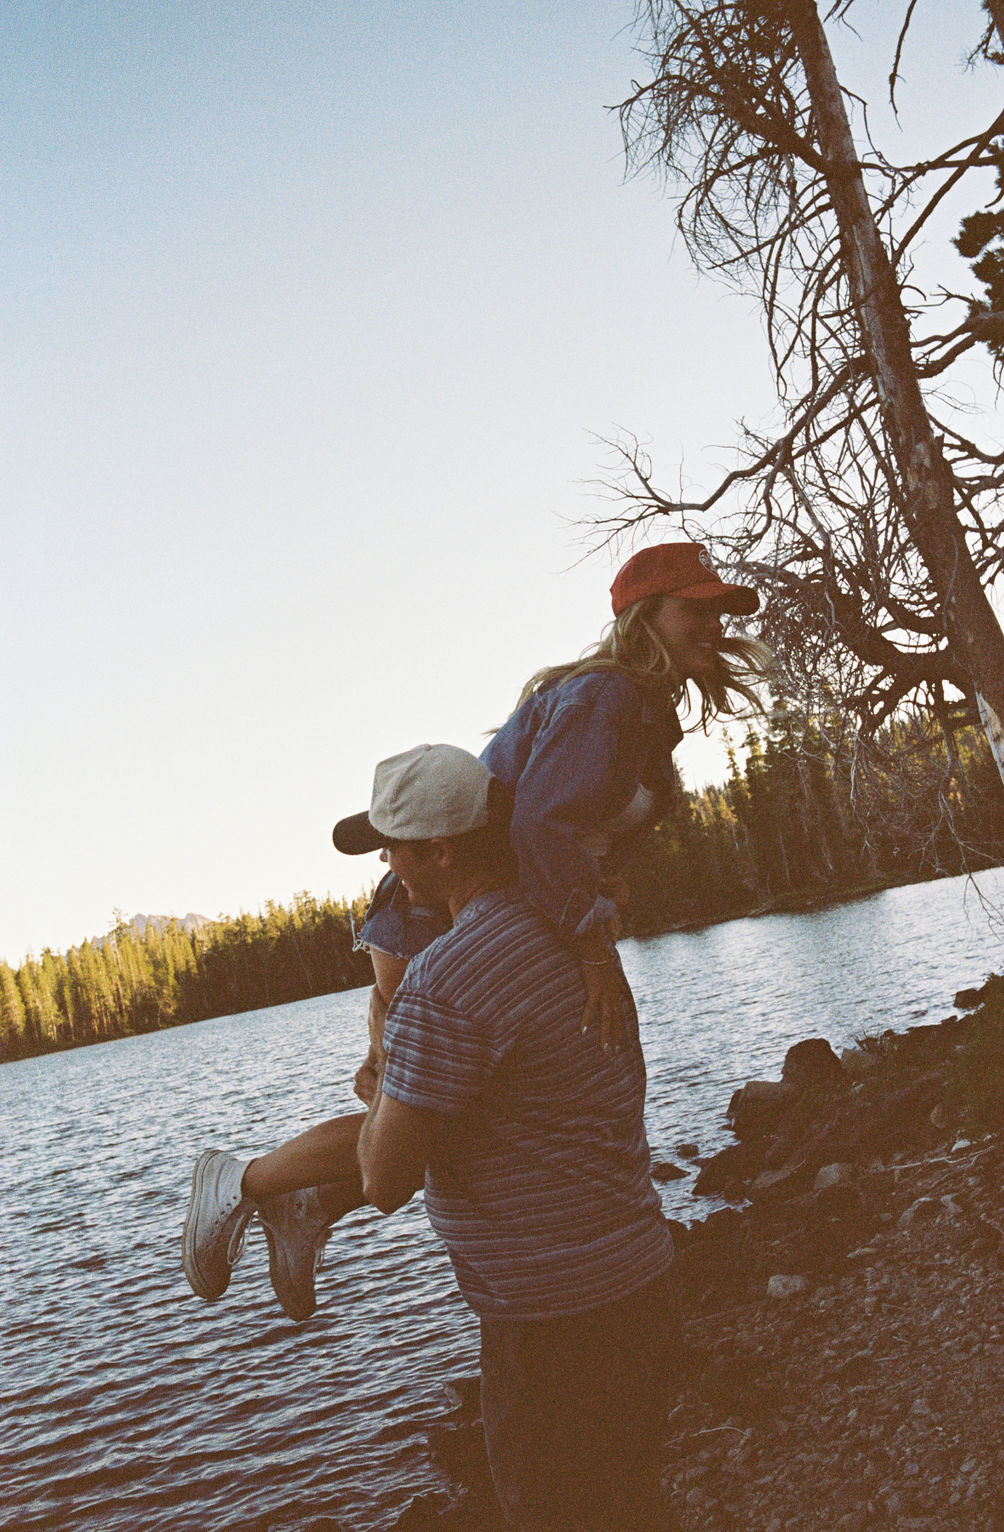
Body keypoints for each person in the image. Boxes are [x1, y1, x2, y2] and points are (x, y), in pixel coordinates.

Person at [181, 541, 765, 1321]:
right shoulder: (609, 699)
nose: (713, 625)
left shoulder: (634, 707)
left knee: (456, 1119)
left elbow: (572, 828)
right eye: (695, 608)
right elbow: (542, 822)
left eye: (718, 611)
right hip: (431, 916)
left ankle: (310, 1206)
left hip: (476, 919)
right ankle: (244, 1184)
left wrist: (599, 886)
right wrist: (588, 944)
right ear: (641, 620)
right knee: (414, 1117)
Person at [189, 743, 683, 1529]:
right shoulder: (571, 930)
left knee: (558, 1510)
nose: (387, 865)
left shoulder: (446, 980)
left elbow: (386, 1181)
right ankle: (284, 1202)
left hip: (551, 1318)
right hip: (639, 1274)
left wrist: (391, 1062)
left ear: (441, 852)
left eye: (392, 848)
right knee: (631, 1500)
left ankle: (250, 1187)